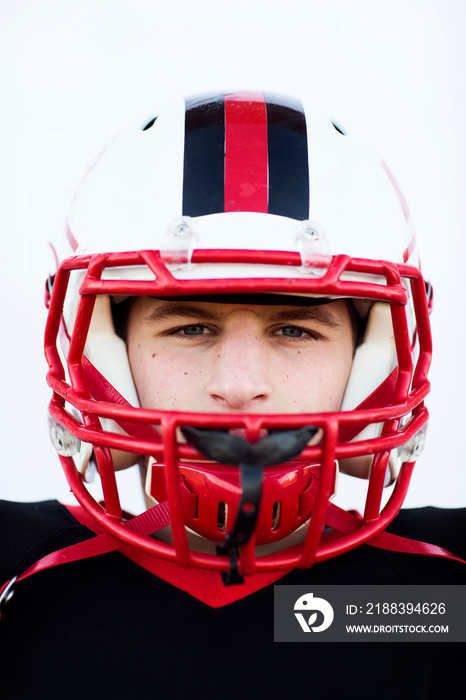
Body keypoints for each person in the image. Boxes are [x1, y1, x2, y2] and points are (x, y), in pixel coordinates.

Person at [1, 90, 465, 697]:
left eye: (295, 329)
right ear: (102, 358)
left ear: (371, 362)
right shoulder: (20, 580)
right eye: (190, 327)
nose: (240, 387)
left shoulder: (444, 595)